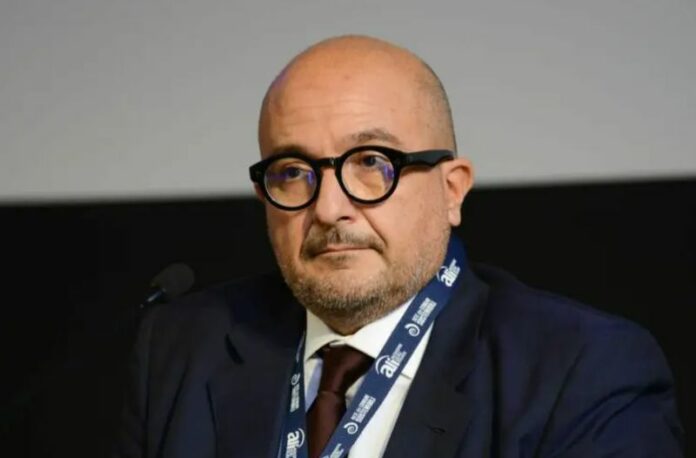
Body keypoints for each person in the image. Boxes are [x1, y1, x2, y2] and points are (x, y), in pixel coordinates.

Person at [114, 35, 684, 457]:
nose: (329, 208)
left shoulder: (581, 372)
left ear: (452, 190)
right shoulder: (182, 349)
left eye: (371, 162)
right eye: (292, 171)